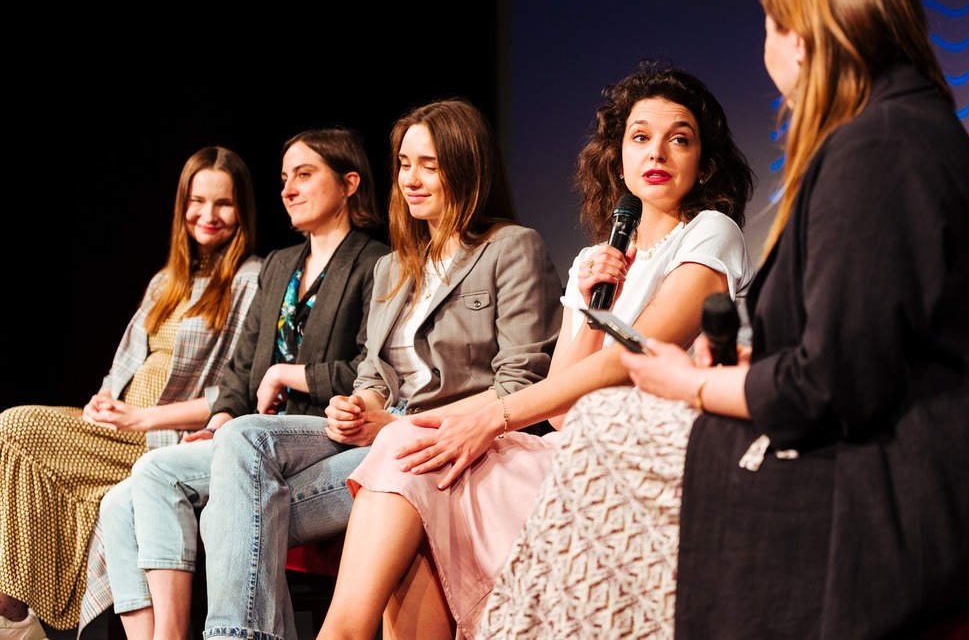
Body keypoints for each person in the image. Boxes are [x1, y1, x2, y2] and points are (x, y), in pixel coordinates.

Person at [527, 0, 969, 638]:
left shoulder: (878, 147)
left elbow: (831, 384)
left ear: (802, 40)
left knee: (604, 432)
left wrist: (691, 385)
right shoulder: (903, 131)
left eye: (769, 25)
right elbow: (867, 346)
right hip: (929, 475)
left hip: (911, 501)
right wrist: (747, 366)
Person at [320, 60, 756, 640]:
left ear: (703, 161)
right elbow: (562, 410)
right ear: (617, 159)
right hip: (578, 448)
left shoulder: (710, 233)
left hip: (651, 458)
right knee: (411, 451)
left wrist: (491, 418)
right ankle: (342, 631)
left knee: (419, 455)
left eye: (679, 139)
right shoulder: (598, 260)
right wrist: (591, 304)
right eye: (640, 137)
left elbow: (631, 359)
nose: (657, 153)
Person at [199, 97, 563, 640]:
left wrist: (395, 424)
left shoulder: (510, 247)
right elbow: (372, 376)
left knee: (224, 514)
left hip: (445, 440)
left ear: (466, 168)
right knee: (241, 438)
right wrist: (356, 406)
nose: (410, 180)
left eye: (429, 166)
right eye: (404, 165)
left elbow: (520, 383)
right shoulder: (394, 265)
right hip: (383, 432)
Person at [91, 127, 389, 640]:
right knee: (119, 502)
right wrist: (221, 420)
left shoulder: (375, 262)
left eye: (304, 175)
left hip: (319, 434)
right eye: (284, 178)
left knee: (157, 471)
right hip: (250, 436)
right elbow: (238, 371)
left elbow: (371, 368)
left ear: (349, 183)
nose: (288, 189)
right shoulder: (279, 265)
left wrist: (289, 374)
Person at [0, 146, 262, 639]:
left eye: (223, 203)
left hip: (161, 438)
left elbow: (233, 394)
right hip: (118, 426)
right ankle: (12, 604)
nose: (208, 215)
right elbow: (126, 364)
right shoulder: (167, 280)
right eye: (197, 201)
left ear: (242, 209)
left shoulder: (250, 280)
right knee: (13, 445)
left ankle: (16, 614)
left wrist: (141, 419)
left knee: (14, 426)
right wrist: (103, 402)